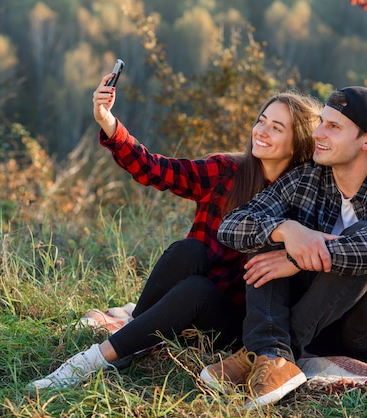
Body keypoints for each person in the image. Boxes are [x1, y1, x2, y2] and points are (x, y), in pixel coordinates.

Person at [27, 71, 322, 390]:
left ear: (297, 144)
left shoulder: (301, 198)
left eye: (276, 128)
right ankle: (126, 345)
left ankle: (91, 361)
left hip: (239, 323)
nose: (261, 131)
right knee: (188, 251)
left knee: (196, 289)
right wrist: (108, 122)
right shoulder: (227, 171)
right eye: (261, 120)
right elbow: (157, 170)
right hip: (194, 295)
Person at [200, 86, 367, 408]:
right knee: (268, 238)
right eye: (321, 123)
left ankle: (269, 351)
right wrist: (286, 230)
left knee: (363, 237)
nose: (318, 134)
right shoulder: (307, 177)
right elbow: (233, 225)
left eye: (333, 127)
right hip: (324, 327)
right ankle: (270, 355)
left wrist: (299, 259)